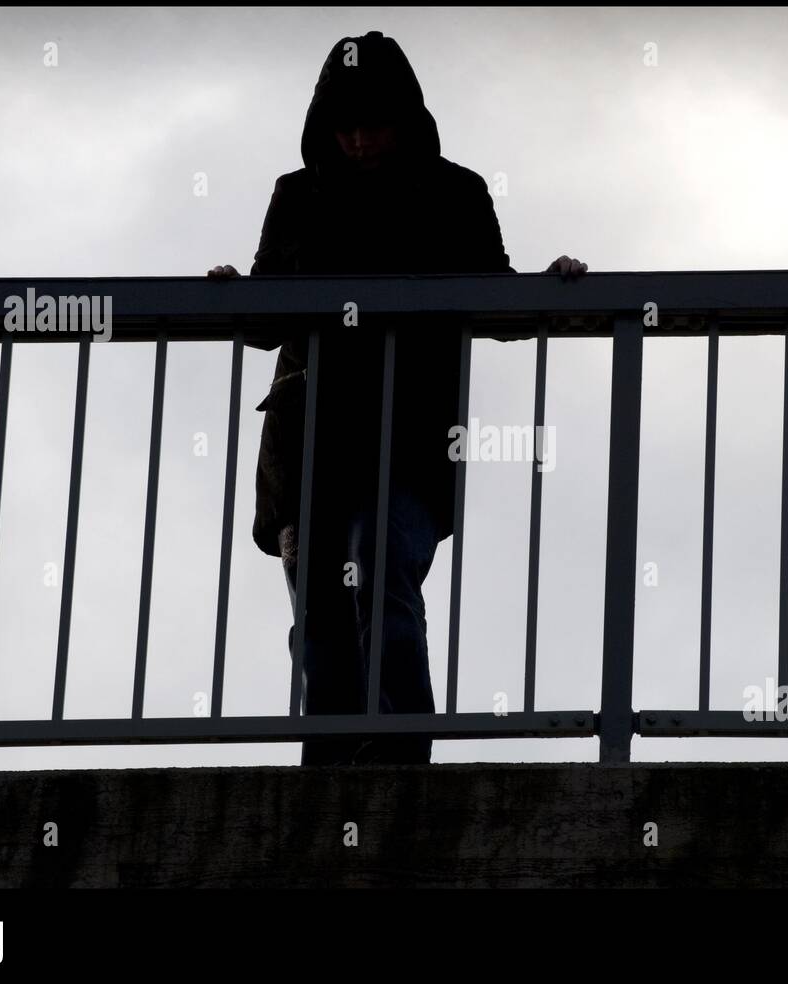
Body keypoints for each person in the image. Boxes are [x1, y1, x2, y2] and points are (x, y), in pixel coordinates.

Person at [208, 31, 586, 765]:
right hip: (309, 440)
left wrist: (553, 285)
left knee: (381, 577)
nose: (358, 138)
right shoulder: (299, 194)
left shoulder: (453, 193)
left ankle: (402, 764)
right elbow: (261, 326)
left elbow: (497, 303)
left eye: (373, 121)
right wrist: (232, 296)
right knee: (320, 616)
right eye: (344, 124)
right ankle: (331, 776)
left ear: (406, 119)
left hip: (407, 439)